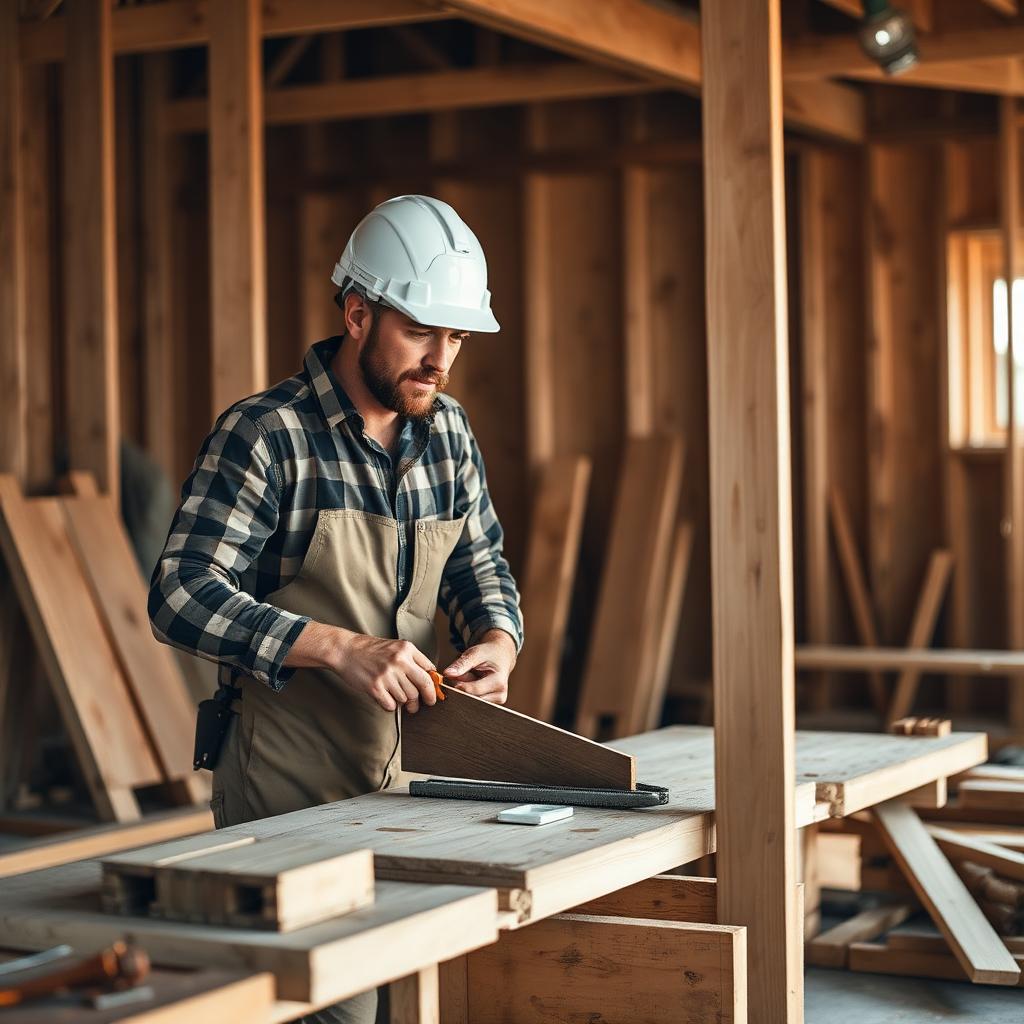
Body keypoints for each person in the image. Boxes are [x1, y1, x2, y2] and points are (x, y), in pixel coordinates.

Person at [149, 195, 523, 1024]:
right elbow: (180, 593)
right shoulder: (265, 436)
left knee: (425, 998)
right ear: (358, 313)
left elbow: (479, 563)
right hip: (288, 799)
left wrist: (497, 636)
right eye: (423, 331)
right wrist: (331, 646)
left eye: (457, 338)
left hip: (417, 792)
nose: (441, 359)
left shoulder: (449, 432)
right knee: (338, 1012)